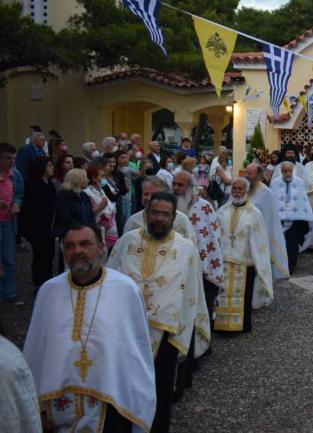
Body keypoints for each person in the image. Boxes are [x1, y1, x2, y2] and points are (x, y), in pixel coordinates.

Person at [24, 223, 156, 432]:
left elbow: (136, 350)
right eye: (69, 246)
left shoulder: (125, 289)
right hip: (58, 403)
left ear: (102, 247)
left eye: (85, 244)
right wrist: (37, 408)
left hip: (110, 402)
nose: (77, 251)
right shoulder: (49, 291)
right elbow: (36, 350)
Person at [107, 192, 209, 433]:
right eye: (155, 213)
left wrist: (186, 329)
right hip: (126, 330)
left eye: (165, 214)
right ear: (147, 213)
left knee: (160, 390)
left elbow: (192, 292)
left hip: (166, 334)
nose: (159, 218)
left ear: (174, 217)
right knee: (123, 386)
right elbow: (109, 279)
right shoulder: (127, 241)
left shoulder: (186, 249)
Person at [215, 178, 272, 332]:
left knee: (244, 296)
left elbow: (260, 241)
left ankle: (242, 326)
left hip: (245, 263)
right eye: (234, 188)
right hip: (224, 260)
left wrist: (260, 263)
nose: (237, 192)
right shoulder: (221, 211)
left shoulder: (255, 213)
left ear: (246, 191)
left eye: (240, 189)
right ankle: (220, 326)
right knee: (222, 293)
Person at [172, 171, 225, 325]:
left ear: (190, 187)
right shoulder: (168, 205)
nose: (175, 188)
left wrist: (206, 262)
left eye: (180, 185)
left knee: (202, 303)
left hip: (201, 266)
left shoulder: (203, 207)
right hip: (175, 265)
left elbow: (212, 238)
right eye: (174, 184)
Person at [245, 163, 289, 286]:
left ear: (259, 175)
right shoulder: (243, 188)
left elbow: (270, 220)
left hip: (257, 236)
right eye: (246, 173)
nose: (247, 176)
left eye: (250, 174)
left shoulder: (267, 193)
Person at [270, 162, 313, 274]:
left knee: (293, 244)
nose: (287, 173)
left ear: (293, 171)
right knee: (279, 243)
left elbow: (302, 200)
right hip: (279, 220)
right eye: (285, 171)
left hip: (296, 220)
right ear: (281, 171)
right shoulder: (275, 183)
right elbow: (272, 200)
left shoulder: (299, 182)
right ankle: (279, 265)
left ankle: (290, 267)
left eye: (289, 171)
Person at [123, 176, 197, 246]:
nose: (149, 198)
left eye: (154, 195)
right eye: (145, 194)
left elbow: (190, 248)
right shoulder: (133, 221)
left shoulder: (181, 220)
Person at [19, 157, 56, 290]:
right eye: (49, 165)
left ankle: (47, 279)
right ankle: (40, 282)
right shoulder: (33, 185)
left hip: (49, 225)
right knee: (40, 255)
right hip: (37, 226)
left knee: (49, 254)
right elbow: (30, 209)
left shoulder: (49, 184)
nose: (52, 167)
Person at [0, 143, 21, 304]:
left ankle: (9, 292)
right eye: (8, 158)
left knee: (9, 259)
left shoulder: (15, 174)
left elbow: (20, 191)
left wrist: (17, 203)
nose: (11, 162)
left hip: (8, 222)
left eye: (13, 158)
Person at [85, 166, 117, 249]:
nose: (104, 179)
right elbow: (90, 213)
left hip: (108, 227)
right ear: (93, 178)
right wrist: (101, 207)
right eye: (102, 176)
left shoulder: (101, 190)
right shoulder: (87, 192)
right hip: (97, 228)